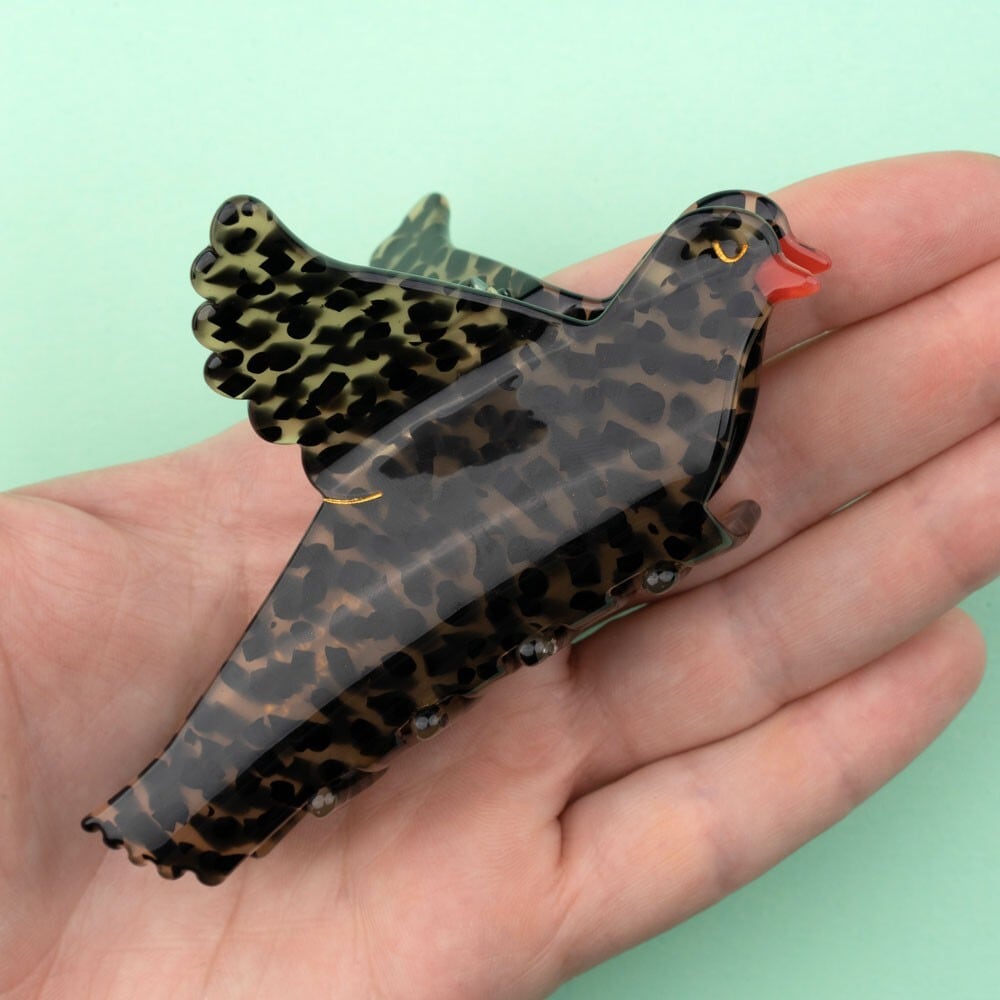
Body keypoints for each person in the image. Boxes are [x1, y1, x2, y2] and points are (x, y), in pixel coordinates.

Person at [2, 152, 997, 999]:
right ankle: (181, 810)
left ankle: (192, 815)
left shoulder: (691, 383)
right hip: (397, 563)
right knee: (300, 708)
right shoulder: (553, 351)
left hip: (483, 600)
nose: (784, 268)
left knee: (350, 716)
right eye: (748, 250)